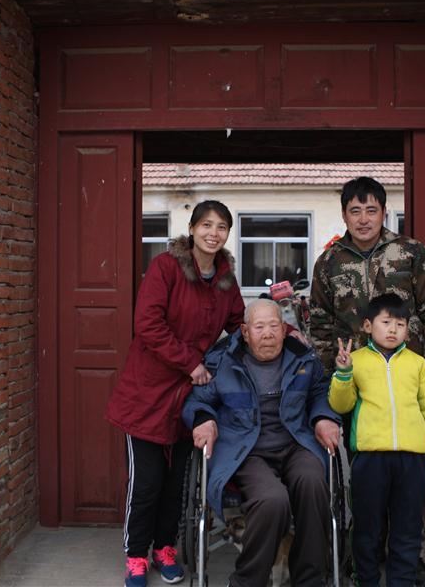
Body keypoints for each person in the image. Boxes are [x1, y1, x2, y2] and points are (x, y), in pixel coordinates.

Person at [309, 175, 425, 584]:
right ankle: (364, 559)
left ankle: (408, 556)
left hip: (409, 378)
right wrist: (332, 379)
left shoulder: (410, 253)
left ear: (384, 212)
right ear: (344, 215)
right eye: (355, 211)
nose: (364, 219)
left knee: (409, 473)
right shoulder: (330, 262)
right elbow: (319, 323)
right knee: (367, 477)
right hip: (357, 382)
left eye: (371, 210)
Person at [106, 201, 245, 587]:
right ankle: (136, 555)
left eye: (221, 227)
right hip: (148, 392)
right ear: (192, 228)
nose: (213, 233)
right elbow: (147, 324)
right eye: (207, 225)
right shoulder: (166, 267)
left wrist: (276, 333)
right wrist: (190, 362)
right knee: (147, 482)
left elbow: (239, 324)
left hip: (189, 396)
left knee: (176, 484)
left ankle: (164, 548)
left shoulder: (225, 279)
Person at [183, 299, 341, 587]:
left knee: (313, 482)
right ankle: (247, 581)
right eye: (259, 327)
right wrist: (203, 419)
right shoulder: (224, 361)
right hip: (247, 451)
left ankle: (309, 579)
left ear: (283, 329)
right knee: (272, 500)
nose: (267, 334)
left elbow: (321, 391)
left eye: (273, 326)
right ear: (245, 332)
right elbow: (198, 400)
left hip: (294, 443)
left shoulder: (302, 358)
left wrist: (323, 418)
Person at [329, 293, 425, 587]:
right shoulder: (356, 361)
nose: (393, 330)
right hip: (371, 459)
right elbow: (341, 405)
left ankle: (402, 581)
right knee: (366, 528)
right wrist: (343, 373)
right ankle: (366, 580)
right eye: (386, 322)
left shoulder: (418, 364)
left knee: (408, 528)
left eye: (400, 324)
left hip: (413, 460)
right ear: (368, 326)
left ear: (408, 329)